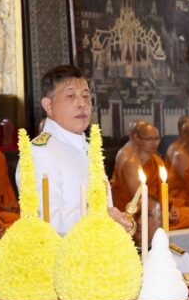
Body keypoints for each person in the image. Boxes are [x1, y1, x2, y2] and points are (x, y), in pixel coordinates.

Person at [27, 65, 132, 236]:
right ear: (48, 106)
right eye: (70, 96)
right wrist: (99, 217)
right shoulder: (39, 153)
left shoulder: (90, 148)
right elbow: (47, 218)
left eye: (85, 96)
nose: (82, 104)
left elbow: (105, 206)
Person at [110, 122, 189, 238]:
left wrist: (169, 207)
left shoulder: (157, 161)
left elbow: (162, 192)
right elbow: (139, 198)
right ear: (138, 139)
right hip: (136, 213)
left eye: (157, 138)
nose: (154, 143)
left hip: (156, 207)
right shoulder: (131, 162)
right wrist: (161, 213)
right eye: (149, 139)